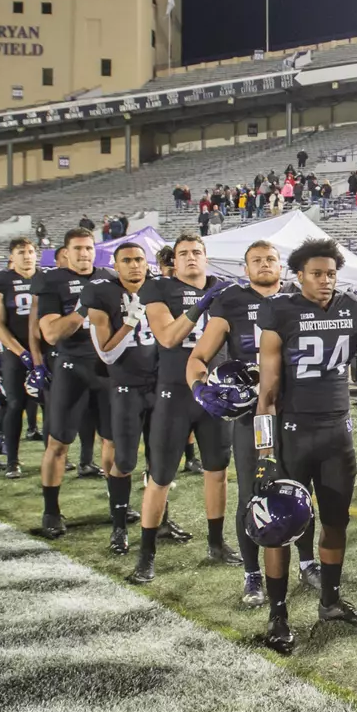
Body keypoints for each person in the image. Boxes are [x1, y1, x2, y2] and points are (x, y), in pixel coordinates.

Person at [254, 239, 357, 654]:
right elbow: (266, 393)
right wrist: (265, 453)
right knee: (278, 530)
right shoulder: (280, 310)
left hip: (337, 433)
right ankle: (278, 615)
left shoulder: (355, 308)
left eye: (330, 274)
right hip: (292, 433)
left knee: (336, 522)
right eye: (316, 274)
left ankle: (330, 601)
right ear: (299, 275)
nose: (325, 281)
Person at [188, 240, 288, 611]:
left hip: (293, 413)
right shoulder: (230, 302)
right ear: (246, 269)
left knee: (297, 488)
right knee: (252, 492)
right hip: (251, 416)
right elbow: (198, 356)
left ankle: (307, 563)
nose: (264, 265)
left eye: (270, 259)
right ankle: (252, 573)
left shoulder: (296, 299)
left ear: (282, 267)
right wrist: (200, 390)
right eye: (256, 261)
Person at [134, 234, 239, 580]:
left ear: (206, 258)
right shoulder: (159, 290)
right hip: (175, 394)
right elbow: (167, 337)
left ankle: (216, 542)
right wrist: (201, 304)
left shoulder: (226, 290)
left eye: (197, 252)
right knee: (161, 475)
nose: (191, 258)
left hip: (214, 393)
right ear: (174, 261)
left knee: (217, 471)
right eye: (184, 254)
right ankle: (146, 553)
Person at [30, 228, 114, 539]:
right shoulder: (52, 281)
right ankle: (51, 510)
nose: (84, 254)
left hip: (106, 368)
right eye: (78, 249)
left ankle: (115, 503)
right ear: (65, 253)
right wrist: (82, 308)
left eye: (89, 248)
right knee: (59, 443)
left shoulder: (108, 275)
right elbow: (51, 333)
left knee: (113, 441)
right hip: (71, 367)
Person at [78, 241, 157, 556]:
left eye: (140, 259)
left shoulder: (158, 288)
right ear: (116, 264)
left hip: (159, 386)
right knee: (124, 461)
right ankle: (119, 526)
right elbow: (107, 353)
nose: (135, 266)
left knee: (160, 463)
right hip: (125, 387)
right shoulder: (101, 292)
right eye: (127, 260)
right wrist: (130, 322)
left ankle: (160, 521)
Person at [0, 237, 39, 478]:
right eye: (21, 252)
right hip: (15, 352)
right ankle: (12, 460)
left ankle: (56, 455)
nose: (27, 256)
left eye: (30, 251)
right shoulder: (1, 280)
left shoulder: (45, 277)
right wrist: (22, 352)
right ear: (11, 257)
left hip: (44, 351)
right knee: (15, 404)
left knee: (52, 404)